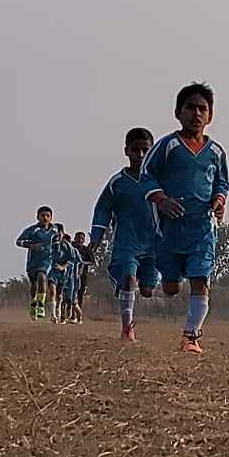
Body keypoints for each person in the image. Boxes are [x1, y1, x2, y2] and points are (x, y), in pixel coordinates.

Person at [143, 82, 229, 353]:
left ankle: (190, 337)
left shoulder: (216, 152)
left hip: (201, 228)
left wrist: (219, 201)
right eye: (190, 107)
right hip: (169, 230)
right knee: (171, 287)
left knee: (200, 280)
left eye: (202, 109)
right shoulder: (167, 145)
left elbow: (222, 183)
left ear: (210, 116)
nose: (196, 113)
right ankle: (170, 278)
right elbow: (146, 175)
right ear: (178, 113)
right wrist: (161, 199)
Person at [91, 127, 161, 342]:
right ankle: (127, 328)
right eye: (135, 150)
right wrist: (95, 239)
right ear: (126, 151)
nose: (140, 155)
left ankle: (140, 285)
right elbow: (102, 210)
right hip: (127, 243)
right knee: (128, 279)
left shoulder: (158, 181)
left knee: (147, 290)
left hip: (154, 245)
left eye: (145, 150)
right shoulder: (117, 183)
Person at [16, 206, 62, 320]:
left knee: (42, 277)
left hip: (46, 260)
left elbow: (56, 243)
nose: (45, 218)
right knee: (34, 285)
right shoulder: (32, 230)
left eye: (48, 216)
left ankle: (41, 305)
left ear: (51, 218)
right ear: (38, 217)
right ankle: (33, 303)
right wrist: (31, 245)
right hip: (33, 261)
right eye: (43, 215)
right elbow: (18, 241)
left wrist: (57, 248)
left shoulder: (54, 230)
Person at [48, 225, 79, 324]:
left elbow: (72, 259)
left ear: (62, 233)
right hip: (53, 272)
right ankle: (53, 315)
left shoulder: (67, 246)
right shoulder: (50, 243)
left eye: (58, 233)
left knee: (60, 295)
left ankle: (61, 313)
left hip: (64, 274)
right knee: (52, 290)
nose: (56, 235)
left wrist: (63, 267)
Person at [69, 231, 93, 323]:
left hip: (82, 276)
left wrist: (82, 262)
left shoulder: (86, 250)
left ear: (84, 240)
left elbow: (92, 261)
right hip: (70, 275)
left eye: (82, 238)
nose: (80, 240)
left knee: (79, 295)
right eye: (78, 238)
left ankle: (78, 316)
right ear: (75, 238)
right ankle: (68, 315)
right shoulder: (71, 248)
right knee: (69, 294)